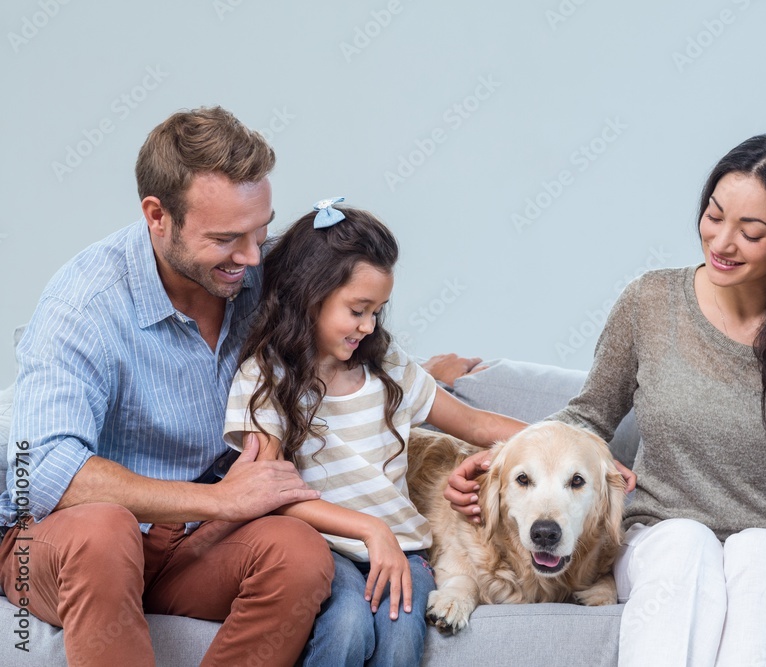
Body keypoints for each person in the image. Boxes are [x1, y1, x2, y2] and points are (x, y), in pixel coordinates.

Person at [447, 134, 766, 666]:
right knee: (685, 543)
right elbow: (586, 418)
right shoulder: (651, 302)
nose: (722, 242)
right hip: (662, 534)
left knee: (762, 553)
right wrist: (505, 454)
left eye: (750, 232)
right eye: (714, 215)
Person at [0, 106, 336, 665]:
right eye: (228, 238)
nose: (253, 257)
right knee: (105, 532)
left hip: (190, 543)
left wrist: (425, 373)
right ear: (158, 216)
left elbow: (346, 326)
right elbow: (42, 473)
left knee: (298, 553)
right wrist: (222, 500)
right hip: (56, 542)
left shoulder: (257, 273)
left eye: (261, 229)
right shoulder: (84, 302)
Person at [222, 199, 525, 667]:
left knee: (401, 633)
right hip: (326, 549)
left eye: (377, 313)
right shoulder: (264, 378)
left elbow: (477, 424)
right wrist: (370, 530)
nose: (368, 326)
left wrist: (580, 447)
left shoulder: (388, 368)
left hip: (404, 548)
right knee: (345, 626)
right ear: (309, 294)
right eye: (358, 310)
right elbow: (268, 493)